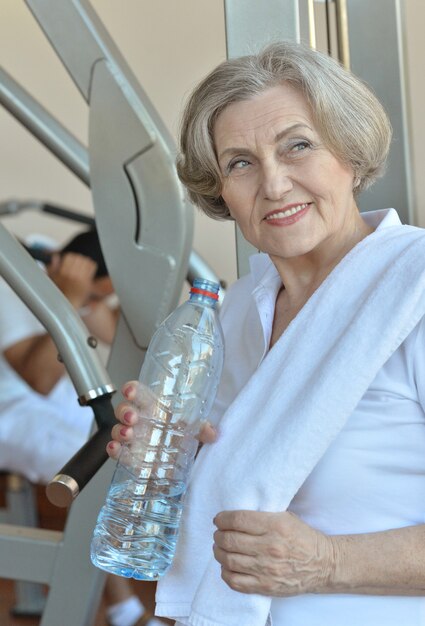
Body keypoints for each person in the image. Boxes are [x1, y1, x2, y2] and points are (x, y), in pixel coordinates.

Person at [107, 41, 425, 626]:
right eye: (239, 163)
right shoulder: (232, 318)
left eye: (297, 146)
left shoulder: (416, 287)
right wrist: (171, 455)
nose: (273, 185)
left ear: (350, 155)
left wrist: (329, 561)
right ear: (220, 190)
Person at [0, 228, 164, 626]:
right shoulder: (10, 280)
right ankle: (125, 609)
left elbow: (126, 337)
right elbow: (37, 377)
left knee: (131, 444)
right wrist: (69, 297)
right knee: (98, 471)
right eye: (92, 295)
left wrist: (91, 299)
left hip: (60, 398)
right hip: (10, 409)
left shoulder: (69, 268)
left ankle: (132, 603)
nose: (94, 303)